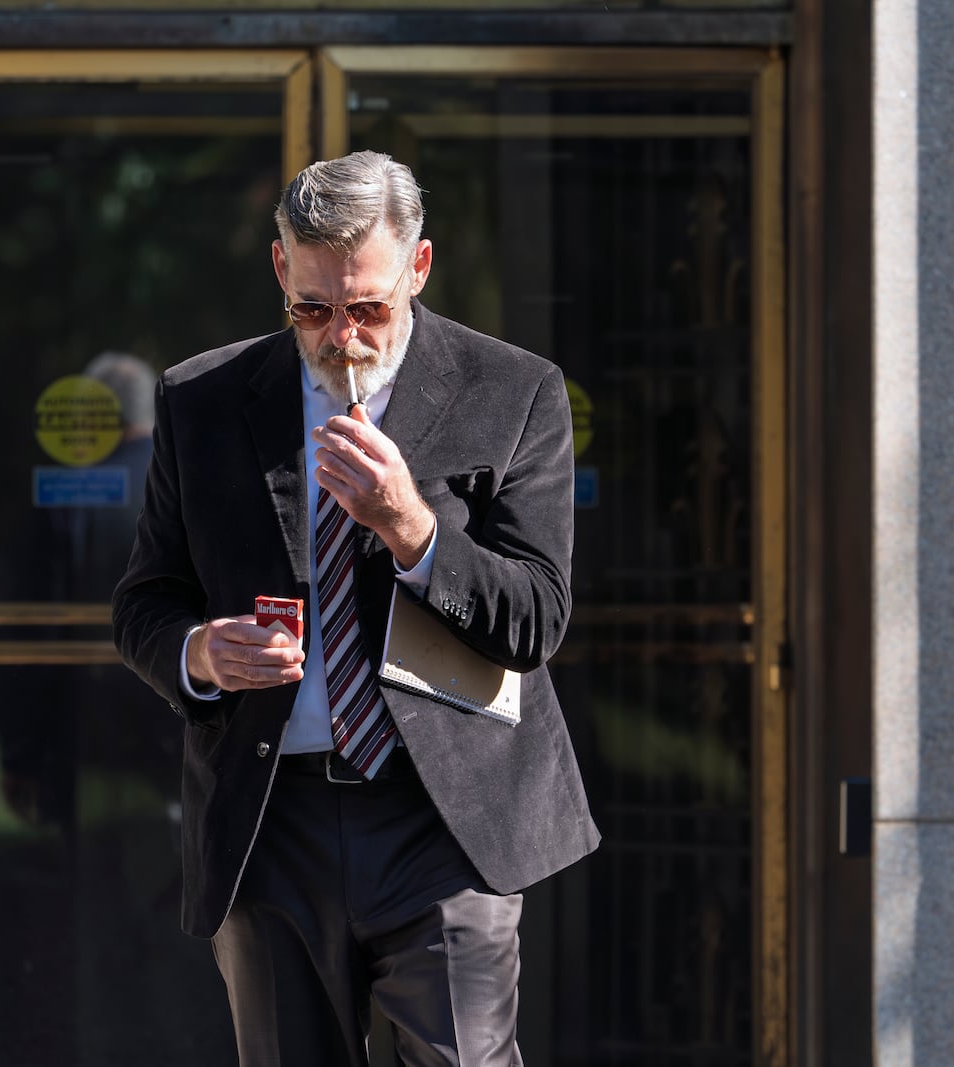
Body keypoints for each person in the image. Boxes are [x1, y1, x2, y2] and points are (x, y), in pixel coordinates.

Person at [113, 150, 600, 1064]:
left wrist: (413, 528)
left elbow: (536, 618)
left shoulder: (514, 392)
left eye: (368, 307)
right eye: (312, 308)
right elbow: (144, 603)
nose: (342, 336)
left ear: (418, 269)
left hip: (444, 816)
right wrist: (200, 654)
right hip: (272, 815)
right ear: (279, 270)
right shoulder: (203, 400)